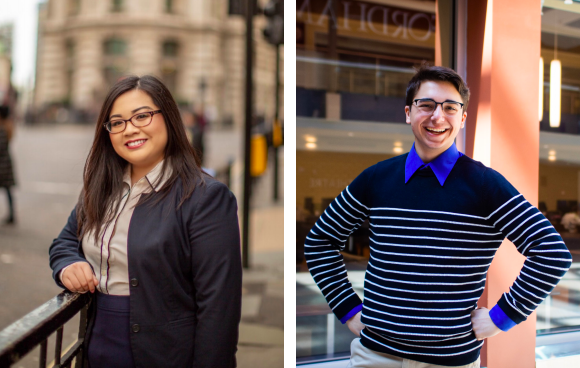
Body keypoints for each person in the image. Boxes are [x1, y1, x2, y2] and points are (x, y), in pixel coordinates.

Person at [304, 65, 572, 368]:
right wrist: (348, 309)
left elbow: (551, 253)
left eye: (449, 107)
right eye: (426, 105)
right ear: (408, 113)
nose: (437, 116)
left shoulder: (484, 184)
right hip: (375, 357)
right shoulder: (376, 178)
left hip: (449, 362)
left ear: (462, 119)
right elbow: (320, 241)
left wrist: (501, 317)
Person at [49, 75, 242, 368]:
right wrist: (67, 265)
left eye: (142, 116)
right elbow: (64, 241)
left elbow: (219, 311)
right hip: (96, 348)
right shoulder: (102, 187)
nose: (130, 129)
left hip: (166, 355)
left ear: (169, 118)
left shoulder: (206, 198)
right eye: (117, 122)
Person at [0, 87, 16, 225]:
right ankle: (12, 215)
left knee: (7, 189)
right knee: (7, 190)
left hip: (1, 163)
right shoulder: (8, 127)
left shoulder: (2, 129)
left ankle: (12, 215)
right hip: (6, 162)